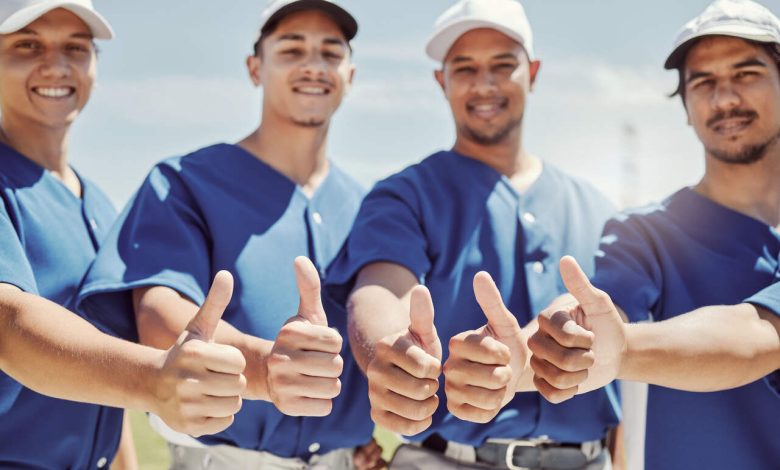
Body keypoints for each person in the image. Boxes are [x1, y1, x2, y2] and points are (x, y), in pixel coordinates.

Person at [77, 0, 381, 468]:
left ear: (351, 74)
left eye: (330, 51)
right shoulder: (184, 182)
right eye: (292, 49)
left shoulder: (370, 206)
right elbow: (160, 318)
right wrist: (267, 367)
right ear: (254, 68)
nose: (314, 65)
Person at [325, 0, 619, 468]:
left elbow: (622, 344)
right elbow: (381, 287)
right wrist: (390, 353)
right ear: (441, 81)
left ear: (533, 72)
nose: (484, 85)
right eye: (464, 68)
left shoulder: (598, 209)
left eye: (503, 65)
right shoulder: (405, 195)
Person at [527, 1, 780, 468]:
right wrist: (520, 357)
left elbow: (758, 334)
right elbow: (596, 311)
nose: (724, 99)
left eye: (746, 73)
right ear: (685, 106)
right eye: (703, 82)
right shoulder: (647, 233)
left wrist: (621, 350)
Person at [0, 1, 247, 468]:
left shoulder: (96, 203)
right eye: (27, 45)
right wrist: (155, 379)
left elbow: (102, 387)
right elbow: (9, 326)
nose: (56, 64)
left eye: (76, 46)